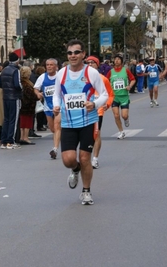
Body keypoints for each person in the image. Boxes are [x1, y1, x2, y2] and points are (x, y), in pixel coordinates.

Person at [52, 40, 108, 205]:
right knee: (68, 160)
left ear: (83, 54)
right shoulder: (61, 73)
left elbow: (103, 94)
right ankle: (75, 170)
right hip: (68, 124)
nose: (73, 56)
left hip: (88, 122)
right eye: (70, 53)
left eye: (76, 52)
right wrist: (56, 105)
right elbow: (56, 94)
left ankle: (86, 191)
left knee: (85, 158)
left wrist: (95, 104)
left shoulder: (91, 73)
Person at [85, 56, 114, 169]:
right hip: (84, 111)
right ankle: (85, 157)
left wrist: (107, 104)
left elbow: (110, 94)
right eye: (88, 62)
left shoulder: (103, 79)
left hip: (98, 111)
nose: (90, 64)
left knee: (96, 135)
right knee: (86, 136)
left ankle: (95, 159)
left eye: (93, 62)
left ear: (97, 65)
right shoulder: (82, 78)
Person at [34, 58, 61, 159]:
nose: (49, 67)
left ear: (56, 66)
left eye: (51, 65)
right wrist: (38, 94)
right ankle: (59, 139)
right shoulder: (42, 77)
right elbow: (36, 88)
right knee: (53, 129)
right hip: (48, 106)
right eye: (47, 65)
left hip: (59, 106)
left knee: (57, 126)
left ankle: (55, 149)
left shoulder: (60, 76)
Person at [106, 53, 136, 140]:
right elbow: (105, 81)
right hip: (114, 97)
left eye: (118, 59)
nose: (116, 60)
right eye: (115, 59)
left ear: (121, 61)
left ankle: (126, 119)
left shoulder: (125, 70)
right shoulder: (110, 72)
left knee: (124, 115)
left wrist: (129, 86)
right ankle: (121, 132)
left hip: (124, 96)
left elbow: (133, 79)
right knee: (116, 115)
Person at [0, 52, 22, 149]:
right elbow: (17, 84)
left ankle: (4, 141)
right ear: (17, 60)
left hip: (5, 97)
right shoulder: (16, 70)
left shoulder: (4, 70)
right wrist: (21, 88)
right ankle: (11, 141)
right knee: (13, 120)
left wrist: (6, 88)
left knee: (6, 119)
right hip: (14, 97)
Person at [19, 66, 39, 145]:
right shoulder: (26, 83)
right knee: (27, 122)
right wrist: (37, 96)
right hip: (28, 105)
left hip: (22, 105)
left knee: (22, 122)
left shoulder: (21, 82)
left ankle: (21, 137)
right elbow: (30, 94)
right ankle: (25, 137)